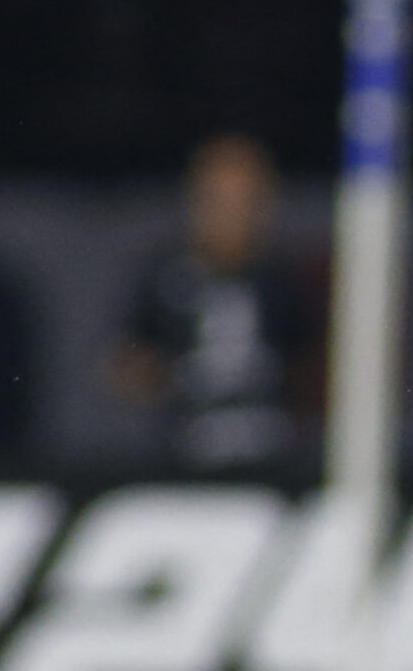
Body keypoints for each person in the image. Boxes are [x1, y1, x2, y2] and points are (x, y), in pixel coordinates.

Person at [114, 133, 318, 470]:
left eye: (246, 202)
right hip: (181, 463)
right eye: (220, 201)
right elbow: (124, 366)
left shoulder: (283, 281)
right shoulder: (165, 277)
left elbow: (314, 368)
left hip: (274, 464)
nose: (232, 215)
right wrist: (170, 375)